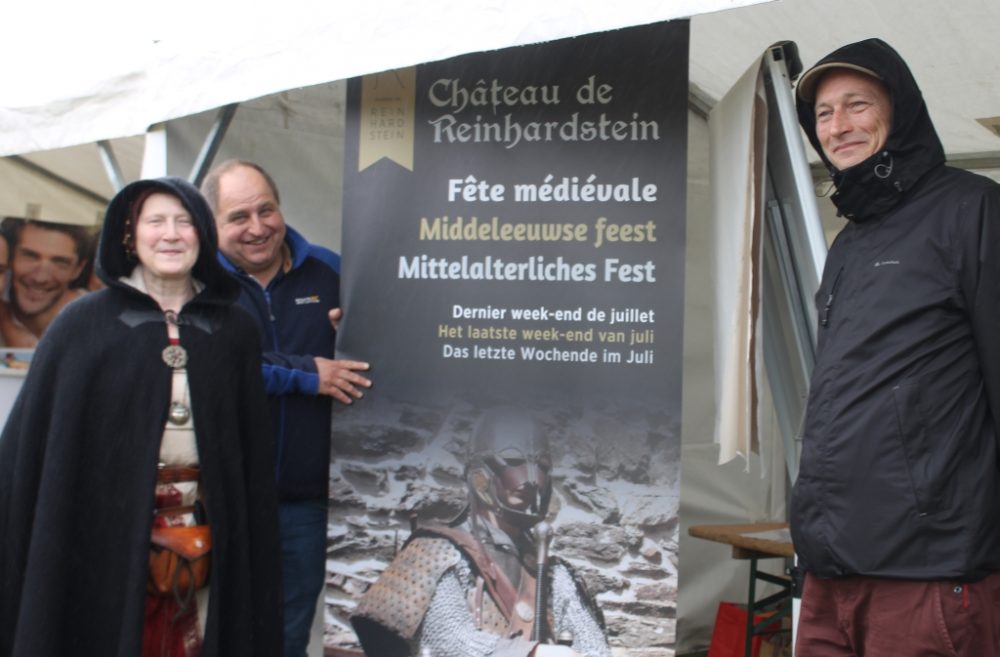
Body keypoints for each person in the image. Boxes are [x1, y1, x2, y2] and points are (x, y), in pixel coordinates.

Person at [0, 177, 283, 656]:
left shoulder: (233, 329)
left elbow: (248, 457)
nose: (170, 235)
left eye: (184, 222)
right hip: (99, 536)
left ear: (203, 235)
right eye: (155, 222)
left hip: (205, 539)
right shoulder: (83, 324)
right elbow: (32, 455)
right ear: (130, 236)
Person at [791, 38, 1000, 656]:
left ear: (899, 109)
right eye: (824, 114)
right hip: (832, 566)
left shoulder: (973, 210)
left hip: (930, 572)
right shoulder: (849, 243)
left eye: (857, 104)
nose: (839, 126)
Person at [201, 159, 372, 657]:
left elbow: (380, 362)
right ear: (212, 224)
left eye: (266, 210)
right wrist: (304, 374)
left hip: (306, 500)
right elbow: (213, 366)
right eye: (238, 217)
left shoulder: (333, 271)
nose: (257, 228)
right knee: (213, 623)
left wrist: (362, 336)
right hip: (222, 498)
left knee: (286, 629)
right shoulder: (202, 284)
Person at [351, 411, 611, 657]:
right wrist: (533, 653)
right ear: (481, 472)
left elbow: (594, 651)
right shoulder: (435, 552)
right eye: (513, 461)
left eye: (541, 465)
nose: (531, 479)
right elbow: (448, 645)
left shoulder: (556, 576)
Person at [1, 219, 91, 347]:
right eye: (30, 256)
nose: (40, 278)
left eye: (59, 262)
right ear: (9, 259)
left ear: (78, 269)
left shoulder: (100, 323)